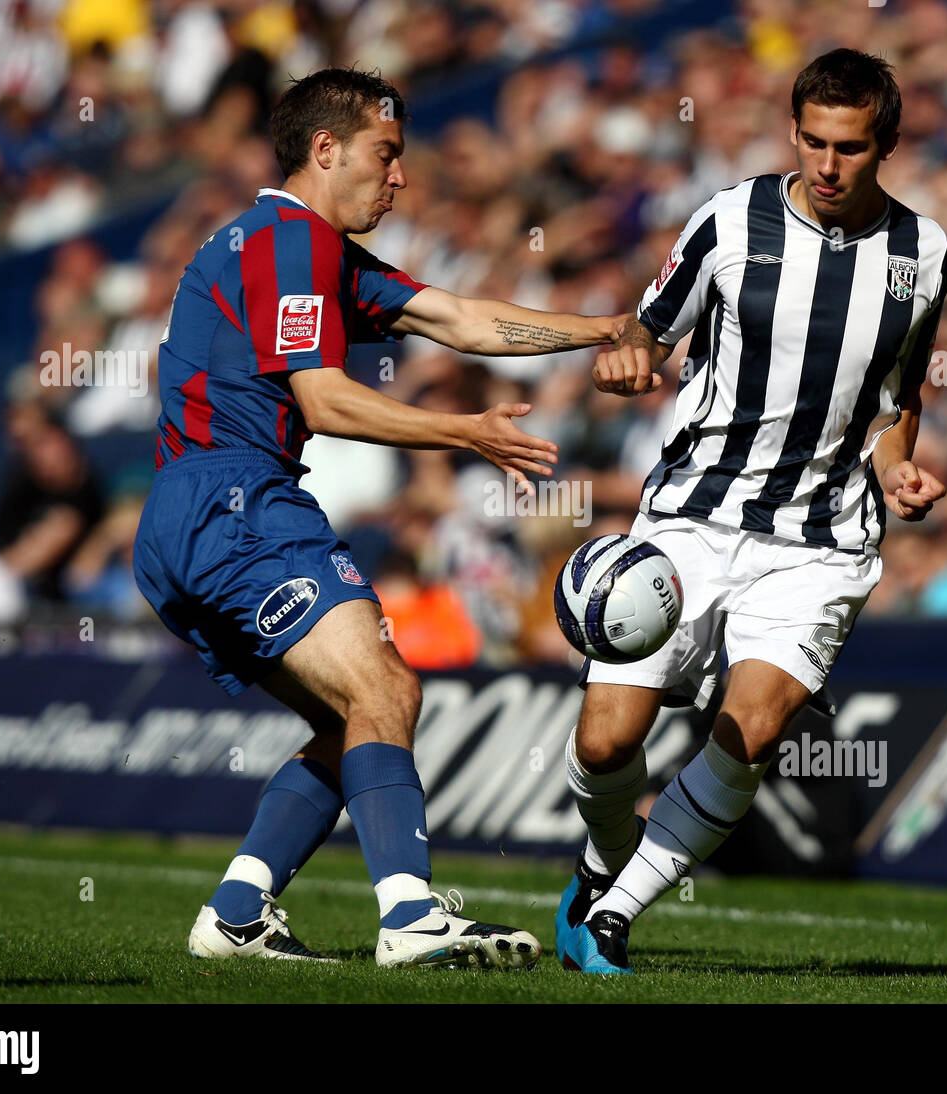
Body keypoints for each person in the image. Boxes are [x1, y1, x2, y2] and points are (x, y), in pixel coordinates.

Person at [132, 67, 619, 969]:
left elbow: (464, 319)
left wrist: (606, 329)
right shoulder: (291, 239)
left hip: (184, 518)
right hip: (238, 500)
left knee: (352, 718)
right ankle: (409, 917)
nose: (401, 178)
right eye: (386, 156)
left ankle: (236, 915)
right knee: (387, 690)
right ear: (326, 150)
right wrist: (464, 432)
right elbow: (322, 400)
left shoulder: (301, 248)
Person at [555, 49, 947, 974]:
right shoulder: (729, 222)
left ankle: (616, 917)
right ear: (793, 132)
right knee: (608, 740)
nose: (826, 164)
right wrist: (626, 357)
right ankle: (600, 869)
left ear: (884, 144)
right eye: (812, 141)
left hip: (819, 540)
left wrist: (897, 469)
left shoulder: (923, 255)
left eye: (849, 147)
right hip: (692, 519)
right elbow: (646, 329)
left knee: (756, 726)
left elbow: (899, 399)